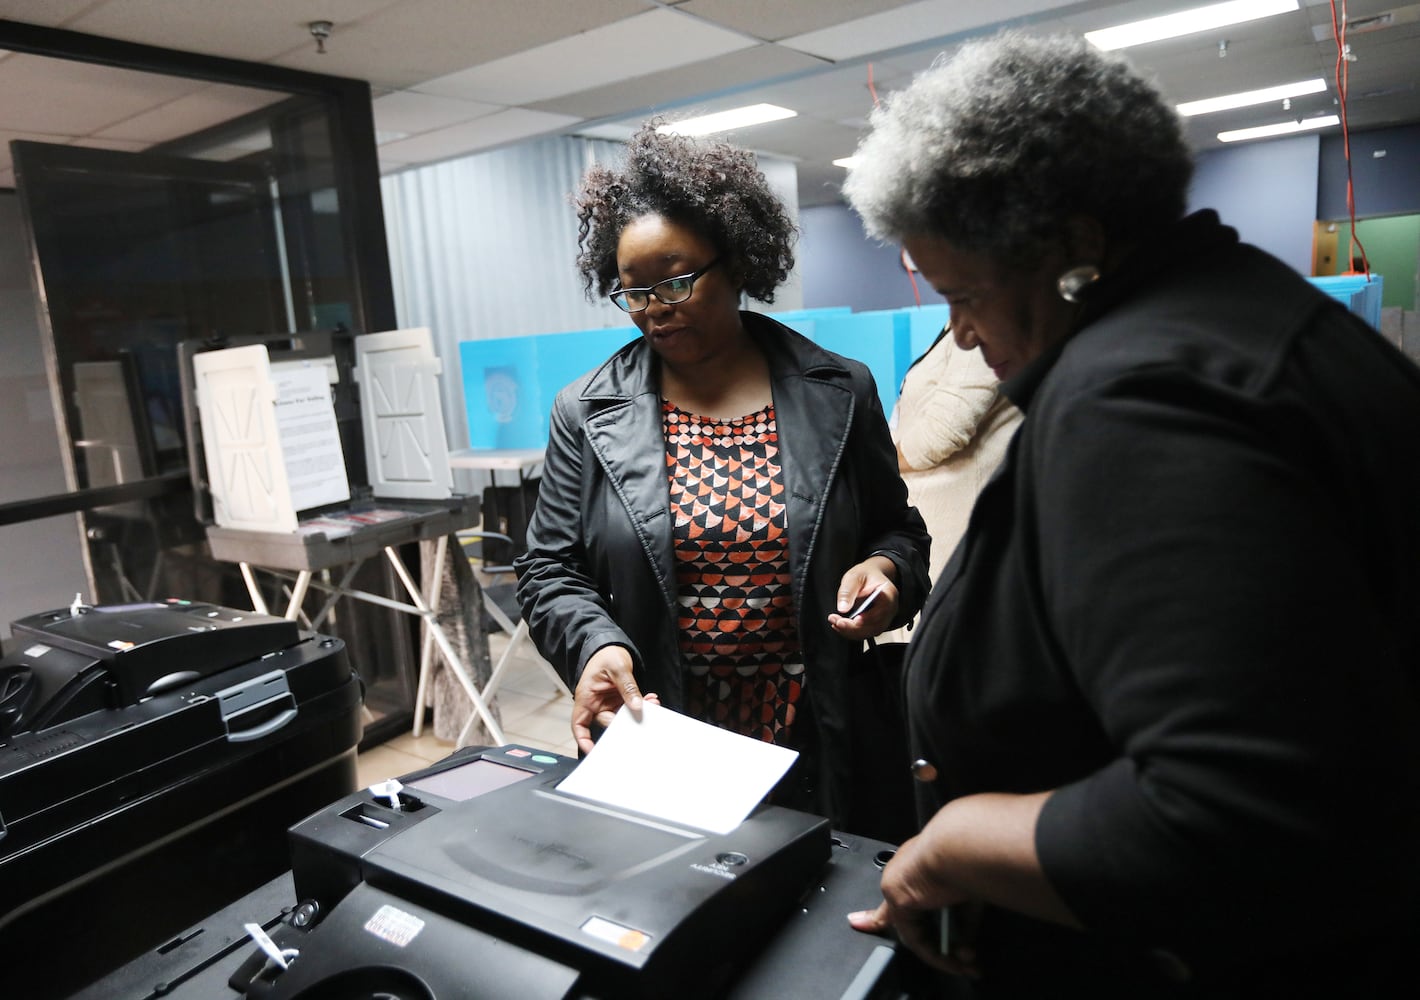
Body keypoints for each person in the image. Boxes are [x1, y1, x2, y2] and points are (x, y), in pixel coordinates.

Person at [840, 30, 1420, 997]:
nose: (967, 337)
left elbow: (1234, 813)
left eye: (966, 295)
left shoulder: (1141, 399)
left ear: (1075, 247)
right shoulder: (1252, 318)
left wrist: (956, 846)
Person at [513, 122, 931, 835]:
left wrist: (887, 571)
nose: (654, 306)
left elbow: (901, 531)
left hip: (819, 731)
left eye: (675, 280)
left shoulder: (839, 389)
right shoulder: (586, 411)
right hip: (666, 733)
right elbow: (549, 569)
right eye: (633, 290)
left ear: (736, 262)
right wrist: (596, 644)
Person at [880, 325, 1020, 645]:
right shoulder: (958, 323)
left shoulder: (981, 323)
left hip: (956, 525)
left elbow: (942, 433)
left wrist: (873, 459)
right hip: (935, 527)